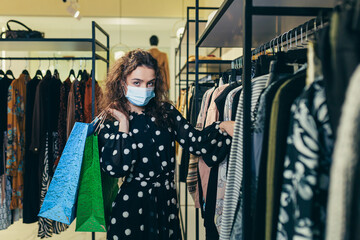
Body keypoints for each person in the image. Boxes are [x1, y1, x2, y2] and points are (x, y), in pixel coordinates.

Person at [98, 49, 234, 240]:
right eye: (137, 82)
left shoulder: (166, 112)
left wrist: (223, 126)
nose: (144, 88)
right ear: (122, 83)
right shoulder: (112, 120)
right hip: (131, 208)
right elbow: (116, 168)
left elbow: (197, 143)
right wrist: (123, 125)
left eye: (150, 83)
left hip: (166, 204)